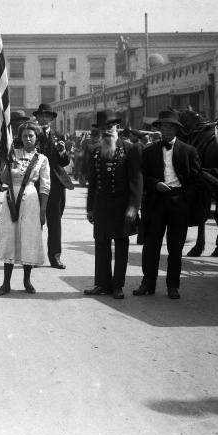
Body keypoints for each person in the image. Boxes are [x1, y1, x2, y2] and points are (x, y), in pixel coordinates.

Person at [135, 110, 203, 300]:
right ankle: (147, 284)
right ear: (159, 129)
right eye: (164, 126)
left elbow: (197, 180)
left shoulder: (189, 151)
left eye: (171, 126)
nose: (167, 130)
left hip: (178, 203)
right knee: (151, 246)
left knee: (175, 248)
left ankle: (173, 286)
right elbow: (142, 177)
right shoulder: (148, 152)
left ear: (176, 129)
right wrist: (155, 184)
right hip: (156, 202)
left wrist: (184, 198)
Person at [83, 110, 142, 300]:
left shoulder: (130, 149)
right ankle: (102, 284)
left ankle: (117, 286)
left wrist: (134, 206)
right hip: (101, 206)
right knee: (101, 244)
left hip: (122, 206)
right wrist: (90, 208)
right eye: (103, 128)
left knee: (121, 245)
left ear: (118, 127)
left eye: (110, 127)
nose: (107, 131)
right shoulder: (95, 151)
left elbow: (136, 180)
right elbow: (92, 182)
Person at [0, 122, 50, 295]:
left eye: (31, 136)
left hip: (31, 200)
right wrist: (5, 163)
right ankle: (6, 283)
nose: (27, 139)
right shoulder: (13, 154)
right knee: (9, 237)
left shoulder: (42, 159)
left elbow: (45, 187)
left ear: (36, 138)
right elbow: (3, 180)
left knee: (28, 238)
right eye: (25, 136)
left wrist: (42, 211)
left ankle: (27, 281)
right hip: (12, 198)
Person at [32, 103, 73, 269]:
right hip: (35, 184)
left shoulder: (58, 136)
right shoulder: (31, 135)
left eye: (47, 116)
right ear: (37, 118)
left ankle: (55, 257)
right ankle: (33, 257)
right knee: (35, 222)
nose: (44, 119)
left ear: (51, 119)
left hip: (55, 185)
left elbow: (64, 162)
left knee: (54, 222)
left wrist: (62, 152)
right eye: (41, 116)